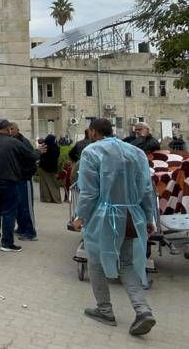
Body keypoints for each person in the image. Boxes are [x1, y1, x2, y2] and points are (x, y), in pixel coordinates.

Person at [71, 118, 156, 337]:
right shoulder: (135, 152)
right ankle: (142, 309)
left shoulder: (92, 152)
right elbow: (147, 188)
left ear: (92, 132)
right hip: (131, 215)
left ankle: (105, 310)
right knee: (126, 263)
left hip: (104, 216)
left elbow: (89, 191)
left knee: (96, 262)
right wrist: (149, 218)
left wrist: (80, 216)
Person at [0, 119, 42, 252]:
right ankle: (7, 243)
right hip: (8, 181)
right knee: (9, 211)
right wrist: (39, 151)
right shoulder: (13, 142)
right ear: (8, 129)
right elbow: (31, 156)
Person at [9, 122, 38, 241]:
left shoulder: (24, 143)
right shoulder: (11, 142)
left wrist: (25, 174)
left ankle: (30, 232)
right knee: (18, 206)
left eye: (12, 129)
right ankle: (21, 227)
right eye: (9, 129)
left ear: (17, 129)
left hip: (24, 179)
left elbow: (31, 160)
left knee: (26, 206)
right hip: (15, 179)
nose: (10, 131)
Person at [38, 134, 61, 203]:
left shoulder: (45, 147)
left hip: (44, 168)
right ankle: (56, 199)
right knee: (54, 184)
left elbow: (41, 156)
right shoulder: (56, 147)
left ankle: (46, 198)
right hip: (53, 168)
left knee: (44, 184)